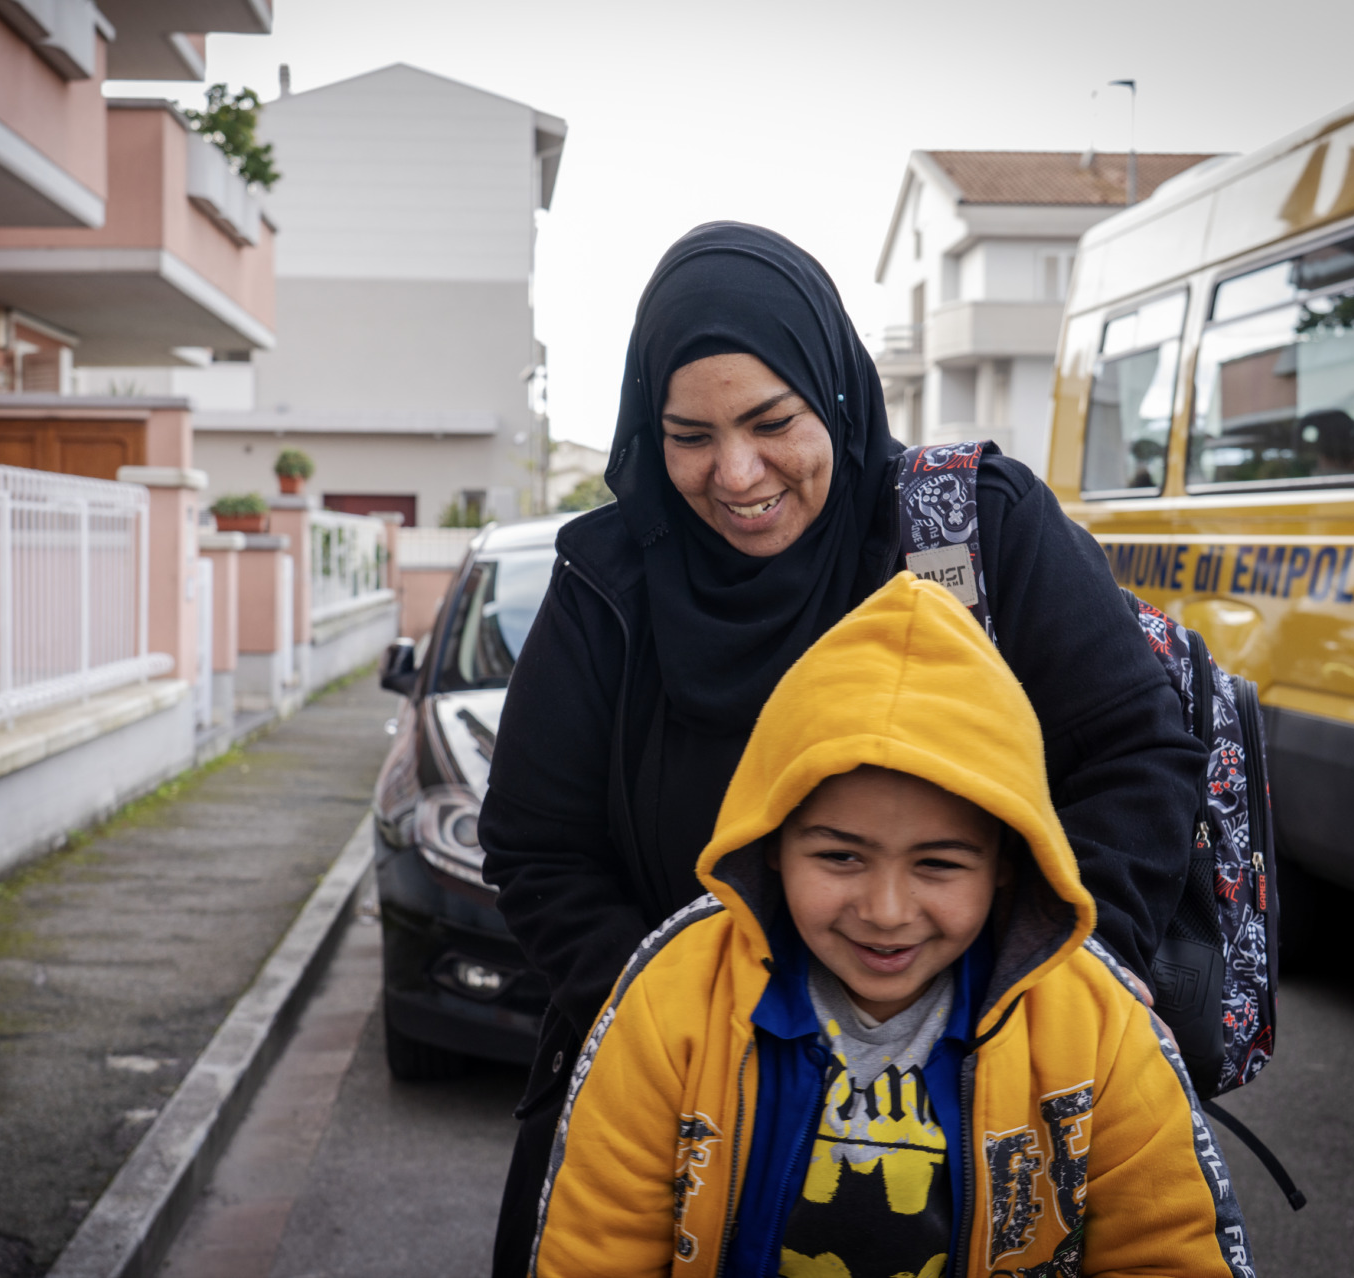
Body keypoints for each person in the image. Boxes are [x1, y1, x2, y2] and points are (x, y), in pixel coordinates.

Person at [480, 222, 1206, 1275]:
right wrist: (683, 1037)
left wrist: (1050, 991)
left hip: (992, 1100)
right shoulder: (607, 583)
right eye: (690, 435)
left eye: (773, 421)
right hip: (679, 1122)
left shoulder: (971, 529)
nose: (736, 473)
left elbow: (1139, 752)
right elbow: (537, 848)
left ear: (836, 392)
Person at [529, 575, 1252, 1278]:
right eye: (840, 856)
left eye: (938, 865)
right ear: (772, 842)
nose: (885, 910)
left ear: (1008, 861)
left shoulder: (1097, 1026)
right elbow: (597, 1250)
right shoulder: (673, 996)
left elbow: (1165, 1252)